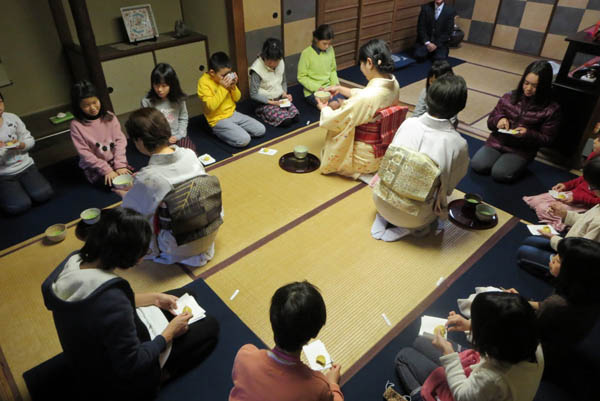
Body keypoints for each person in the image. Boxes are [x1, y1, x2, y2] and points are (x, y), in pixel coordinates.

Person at [42, 207, 219, 401]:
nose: (143, 259)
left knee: (185, 295)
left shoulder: (74, 262)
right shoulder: (112, 300)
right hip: (118, 379)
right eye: (142, 253)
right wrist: (169, 333)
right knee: (210, 328)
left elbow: (99, 301)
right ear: (126, 256)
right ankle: (160, 378)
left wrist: (155, 298)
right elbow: (132, 363)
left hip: (88, 354)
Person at [118, 108, 223, 267]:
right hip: (211, 230)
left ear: (139, 141)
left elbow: (133, 211)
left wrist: (126, 196)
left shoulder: (149, 177)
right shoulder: (189, 154)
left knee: (126, 220)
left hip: (178, 246)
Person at [395, 292, 543, 401]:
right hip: (487, 383)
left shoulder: (493, 379)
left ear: (489, 339)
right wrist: (469, 326)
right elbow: (505, 330)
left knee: (403, 356)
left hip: (471, 393)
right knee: (421, 341)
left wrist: (449, 355)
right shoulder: (531, 344)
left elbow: (462, 395)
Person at [371, 74, 469, 240]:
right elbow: (449, 187)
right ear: (460, 107)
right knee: (441, 197)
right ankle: (413, 228)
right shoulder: (457, 144)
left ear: (428, 98)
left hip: (380, 199)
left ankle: (385, 217)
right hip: (414, 216)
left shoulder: (409, 123)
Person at [229, 281, 343, 401]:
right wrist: (333, 384)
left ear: (272, 320)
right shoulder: (317, 386)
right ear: (315, 333)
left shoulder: (245, 354)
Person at [509, 238, 600, 389]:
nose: (551, 260)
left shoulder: (557, 304)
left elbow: (530, 329)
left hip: (539, 354)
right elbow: (545, 308)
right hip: (563, 346)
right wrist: (522, 300)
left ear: (570, 272)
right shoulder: (588, 294)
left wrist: (513, 305)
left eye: (557, 260)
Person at [316, 39, 401, 178]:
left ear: (369, 62)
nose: (361, 68)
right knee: (345, 106)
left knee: (338, 120)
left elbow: (335, 120)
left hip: (365, 159)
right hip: (384, 151)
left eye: (361, 64)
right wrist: (341, 89)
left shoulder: (367, 97)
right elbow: (369, 98)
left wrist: (324, 108)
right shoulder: (393, 83)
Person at [471, 61, 560, 183]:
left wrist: (527, 134)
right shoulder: (509, 97)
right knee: (478, 165)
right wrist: (499, 119)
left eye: (535, 86)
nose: (528, 89)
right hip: (497, 142)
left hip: (521, 150)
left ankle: (518, 165)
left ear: (544, 87)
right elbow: (490, 122)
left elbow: (547, 139)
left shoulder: (550, 109)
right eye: (526, 83)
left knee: (500, 174)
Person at [517, 156, 600, 279]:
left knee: (523, 252)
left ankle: (560, 278)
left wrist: (555, 240)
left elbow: (581, 254)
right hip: (572, 243)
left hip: (576, 262)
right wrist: (565, 214)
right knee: (529, 241)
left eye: (591, 187)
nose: (589, 189)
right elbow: (585, 221)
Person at [523, 138, 600, 232]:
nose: (594, 141)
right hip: (574, 194)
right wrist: (566, 185)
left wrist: (578, 198)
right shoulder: (594, 157)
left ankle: (567, 225)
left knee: (543, 208)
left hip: (585, 204)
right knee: (535, 201)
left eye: (599, 140)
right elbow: (584, 178)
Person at [70, 80, 132, 186]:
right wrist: (106, 170)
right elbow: (85, 154)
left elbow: (120, 141)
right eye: (86, 105)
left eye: (95, 102)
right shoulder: (76, 125)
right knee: (111, 185)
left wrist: (120, 164)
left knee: (128, 180)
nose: (93, 108)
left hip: (114, 159)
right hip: (94, 164)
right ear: (78, 107)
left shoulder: (110, 116)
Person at [197, 52, 266, 147]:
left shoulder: (225, 78)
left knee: (260, 130)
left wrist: (233, 86)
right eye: (223, 75)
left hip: (233, 113)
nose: (226, 77)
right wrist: (223, 88)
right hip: (217, 119)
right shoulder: (203, 82)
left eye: (228, 74)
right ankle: (219, 132)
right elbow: (210, 107)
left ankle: (234, 131)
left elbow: (237, 98)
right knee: (245, 140)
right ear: (212, 72)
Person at [0, 91, 53, 214]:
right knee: (19, 206)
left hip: (26, 166)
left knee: (44, 194)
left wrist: (21, 145)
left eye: (0, 102)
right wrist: (3, 150)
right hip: (3, 174)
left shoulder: (12, 118)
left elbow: (29, 140)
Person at [141, 62, 195, 152]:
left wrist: (178, 135)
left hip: (177, 136)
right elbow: (147, 127)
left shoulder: (179, 99)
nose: (159, 89)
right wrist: (162, 140)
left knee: (190, 154)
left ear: (172, 85)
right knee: (166, 159)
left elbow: (183, 118)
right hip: (158, 140)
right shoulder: (147, 101)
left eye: (164, 86)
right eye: (156, 85)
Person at [249, 38, 299, 127]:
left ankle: (279, 110)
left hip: (279, 98)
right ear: (264, 56)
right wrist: (273, 103)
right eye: (270, 61)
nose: (273, 64)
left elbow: (283, 81)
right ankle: (262, 113)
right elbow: (253, 94)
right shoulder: (256, 69)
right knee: (286, 121)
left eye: (276, 61)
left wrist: (284, 94)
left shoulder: (280, 62)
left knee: (295, 116)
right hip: (265, 102)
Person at [297, 24, 343, 109]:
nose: (327, 46)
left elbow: (333, 70)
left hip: (329, 88)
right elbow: (301, 77)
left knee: (345, 104)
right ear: (316, 39)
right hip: (313, 91)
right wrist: (317, 87)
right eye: (324, 43)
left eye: (329, 44)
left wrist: (335, 85)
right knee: (334, 106)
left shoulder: (330, 49)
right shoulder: (306, 53)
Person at [413, 60, 457, 127]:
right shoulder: (425, 92)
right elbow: (417, 114)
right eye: (430, 81)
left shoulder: (452, 95)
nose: (431, 84)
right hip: (426, 124)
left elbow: (451, 122)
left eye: (435, 82)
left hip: (444, 128)